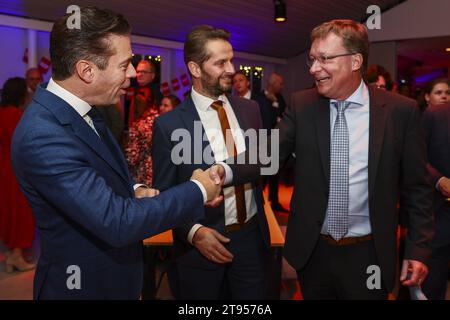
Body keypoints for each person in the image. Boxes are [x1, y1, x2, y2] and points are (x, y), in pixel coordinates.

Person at [212, 19, 434, 299]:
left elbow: (417, 190)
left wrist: (418, 250)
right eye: (312, 59)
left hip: (369, 255)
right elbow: (268, 154)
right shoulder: (303, 105)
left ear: (355, 61)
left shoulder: (400, 112)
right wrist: (224, 171)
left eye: (325, 59)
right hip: (314, 252)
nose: (315, 68)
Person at [11, 6, 221, 300]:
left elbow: (97, 173)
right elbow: (117, 222)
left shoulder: (87, 109)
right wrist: (200, 189)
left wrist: (133, 189)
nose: (133, 73)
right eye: (124, 65)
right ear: (86, 70)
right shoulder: (42, 135)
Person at [152, 25, 270, 299]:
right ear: (195, 68)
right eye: (221, 62)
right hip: (201, 247)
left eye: (231, 59)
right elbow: (164, 195)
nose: (232, 68)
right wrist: (193, 232)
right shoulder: (169, 125)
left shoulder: (250, 110)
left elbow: (265, 161)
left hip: (252, 239)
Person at [0, 77, 36, 273]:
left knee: (8, 210)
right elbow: (24, 145)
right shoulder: (16, 116)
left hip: (4, 168)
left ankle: (12, 253)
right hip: (17, 169)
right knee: (21, 211)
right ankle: (16, 255)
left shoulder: (2, 113)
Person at [421, 102, 450, 299]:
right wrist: (439, 180)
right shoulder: (435, 114)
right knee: (433, 285)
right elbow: (415, 156)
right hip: (440, 214)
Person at [254, 72, 289, 213]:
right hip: (262, 142)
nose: (282, 86)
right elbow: (263, 119)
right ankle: (258, 204)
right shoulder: (258, 98)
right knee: (263, 174)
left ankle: (274, 201)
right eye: (280, 84)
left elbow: (284, 116)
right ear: (272, 83)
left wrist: (275, 102)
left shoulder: (279, 98)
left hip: (277, 141)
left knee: (275, 173)